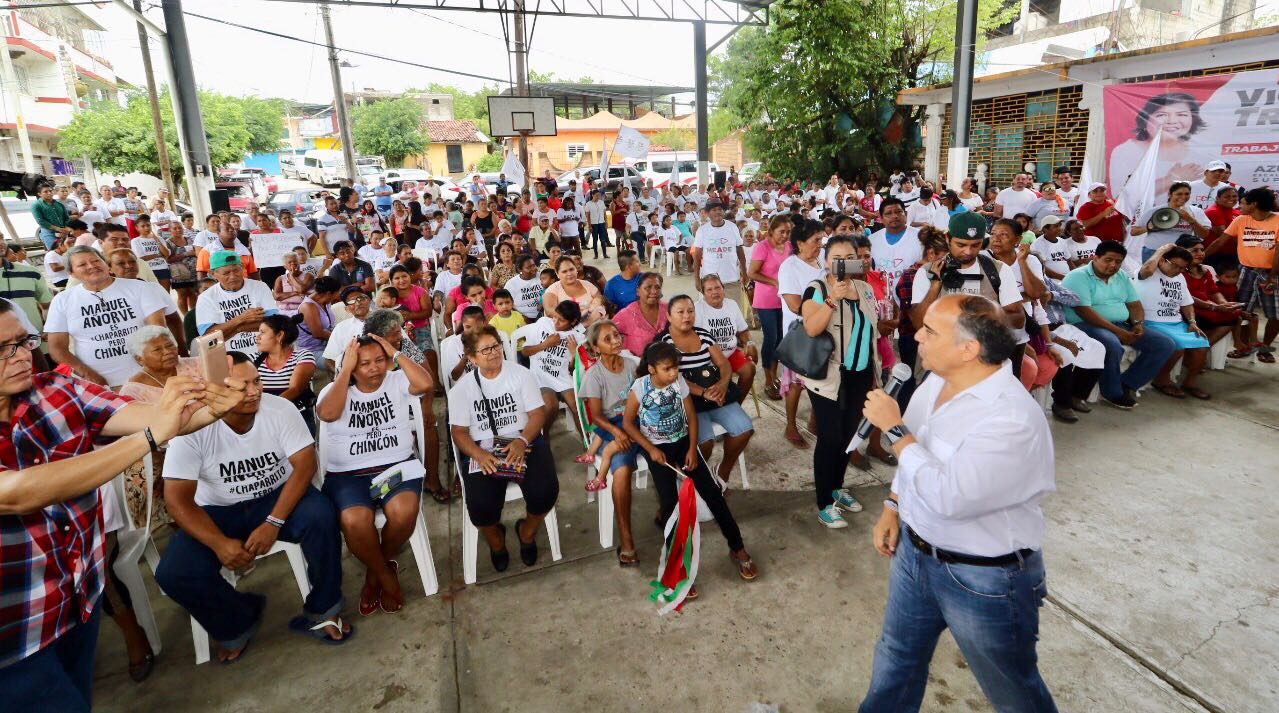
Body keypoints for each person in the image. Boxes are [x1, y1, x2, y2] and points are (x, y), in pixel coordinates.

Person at [0, 300, 245, 709]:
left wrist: (211, 406)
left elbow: (149, 417)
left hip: (78, 598)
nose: (21, 355)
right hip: (13, 629)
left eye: (23, 341)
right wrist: (150, 436)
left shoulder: (58, 390)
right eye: (2, 349)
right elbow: (18, 492)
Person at [858, 294, 1057, 713]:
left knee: (1012, 689)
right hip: (915, 552)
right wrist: (893, 507)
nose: (917, 336)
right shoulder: (934, 382)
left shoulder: (1010, 419)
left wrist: (893, 429)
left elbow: (949, 495)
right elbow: (916, 458)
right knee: (896, 657)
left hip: (984, 577)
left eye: (930, 331)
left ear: (969, 349)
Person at [157, 353, 351, 662]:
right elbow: (176, 500)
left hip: (278, 497)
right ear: (216, 391)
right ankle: (239, 619)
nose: (254, 391)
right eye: (241, 386)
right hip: (218, 511)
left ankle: (324, 608)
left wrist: (273, 521)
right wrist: (219, 544)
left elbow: (304, 466)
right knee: (174, 572)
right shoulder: (192, 427)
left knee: (321, 516)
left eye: (256, 381)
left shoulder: (279, 409)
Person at [623, 341, 758, 591]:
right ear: (651, 369)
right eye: (667, 369)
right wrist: (651, 449)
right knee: (671, 505)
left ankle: (737, 547)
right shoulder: (639, 388)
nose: (673, 373)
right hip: (657, 448)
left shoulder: (679, 382)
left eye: (675, 367)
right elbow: (628, 423)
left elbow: (691, 417)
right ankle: (678, 566)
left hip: (684, 442)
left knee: (713, 496)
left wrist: (692, 449)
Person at [317, 331, 432, 615]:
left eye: (379, 360)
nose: (374, 368)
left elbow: (426, 383)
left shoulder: (396, 380)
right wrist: (344, 372)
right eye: (364, 363)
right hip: (348, 475)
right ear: (352, 366)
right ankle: (385, 574)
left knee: (404, 512)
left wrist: (394, 353)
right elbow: (328, 414)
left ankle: (375, 573)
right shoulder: (334, 391)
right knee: (355, 519)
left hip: (396, 466)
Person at [448, 326, 560, 572]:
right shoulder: (462, 389)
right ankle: (497, 542)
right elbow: (458, 432)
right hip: (484, 447)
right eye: (485, 350)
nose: (493, 352)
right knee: (480, 507)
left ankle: (527, 533)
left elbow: (537, 414)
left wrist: (522, 441)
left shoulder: (521, 375)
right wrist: (479, 455)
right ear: (472, 357)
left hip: (523, 438)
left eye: (496, 345)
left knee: (545, 491)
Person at [798, 235, 885, 528]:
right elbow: (811, 328)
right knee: (830, 437)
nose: (843, 263)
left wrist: (855, 296)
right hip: (828, 377)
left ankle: (837, 488)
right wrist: (833, 299)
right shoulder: (817, 289)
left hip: (860, 374)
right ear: (826, 260)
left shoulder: (864, 288)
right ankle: (825, 502)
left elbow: (875, 326)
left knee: (850, 436)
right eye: (837, 258)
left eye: (850, 257)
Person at [1060, 240, 1177, 409]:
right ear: (1095, 258)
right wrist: (1119, 332)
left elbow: (1134, 304)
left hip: (1119, 324)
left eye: (1118, 262)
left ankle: (1127, 384)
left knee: (1164, 344)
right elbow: (1084, 311)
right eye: (1108, 260)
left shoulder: (1120, 276)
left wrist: (1138, 324)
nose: (1113, 265)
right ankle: (1112, 393)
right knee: (1112, 344)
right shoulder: (1078, 276)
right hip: (1083, 324)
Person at [659, 295, 754, 489]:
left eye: (690, 311)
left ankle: (722, 472)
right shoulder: (664, 342)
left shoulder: (703, 334)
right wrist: (702, 392)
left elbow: (723, 364)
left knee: (744, 429)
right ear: (669, 316)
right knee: (705, 443)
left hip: (714, 393)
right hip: (688, 399)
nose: (687, 316)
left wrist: (722, 384)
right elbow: (672, 377)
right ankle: (695, 480)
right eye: (680, 312)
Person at [46, 247, 167, 386]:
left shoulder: (140, 288)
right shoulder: (62, 300)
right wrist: (89, 375)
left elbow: (158, 330)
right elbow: (57, 348)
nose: (92, 266)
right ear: (72, 273)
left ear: (105, 264)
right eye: (82, 264)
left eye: (96, 260)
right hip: (99, 386)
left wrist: (150, 370)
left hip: (149, 377)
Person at [578, 320, 643, 563]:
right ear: (595, 348)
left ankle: (666, 513)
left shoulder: (631, 365)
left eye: (617, 335)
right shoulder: (594, 375)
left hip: (635, 424)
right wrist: (618, 433)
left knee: (665, 452)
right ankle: (626, 539)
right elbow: (596, 416)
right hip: (613, 428)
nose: (616, 340)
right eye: (608, 338)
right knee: (622, 470)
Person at [1135, 244, 1213, 399]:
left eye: (1182, 268)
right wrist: (1160, 250)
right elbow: (1148, 270)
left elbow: (1187, 303)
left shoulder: (1180, 278)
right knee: (1177, 344)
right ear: (1163, 260)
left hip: (1175, 322)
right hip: (1151, 321)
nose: (1178, 270)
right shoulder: (1148, 271)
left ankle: (1189, 383)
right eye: (1175, 265)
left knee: (1202, 344)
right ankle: (1161, 380)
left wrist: (1192, 322)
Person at [777, 219, 827, 448]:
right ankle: (790, 425)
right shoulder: (790, 266)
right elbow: (793, 303)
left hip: (824, 328)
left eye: (822, 239)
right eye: (816, 240)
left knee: (822, 378)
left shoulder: (823, 261)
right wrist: (824, 308)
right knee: (796, 383)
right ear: (800, 243)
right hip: (800, 332)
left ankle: (815, 420)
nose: (820, 244)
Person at [1108, 92, 1211, 195]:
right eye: (1161, 115)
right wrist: (1171, 179)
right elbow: (1121, 196)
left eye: (1182, 114)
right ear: (1145, 119)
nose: (1172, 121)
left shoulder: (1200, 155)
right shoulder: (1126, 151)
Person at [1224, 186, 1279, 362]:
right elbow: (1220, 241)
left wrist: (1272, 277)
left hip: (1273, 274)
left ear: (1253, 204)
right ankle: (1244, 347)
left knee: (1275, 315)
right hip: (1246, 271)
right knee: (1241, 311)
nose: (1239, 205)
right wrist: (1199, 258)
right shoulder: (1241, 220)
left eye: (1242, 202)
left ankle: (1264, 349)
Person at [520, 300, 586, 438]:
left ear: (573, 322)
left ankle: (587, 441)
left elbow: (573, 370)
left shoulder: (578, 337)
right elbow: (525, 352)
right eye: (555, 316)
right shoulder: (543, 323)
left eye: (561, 320)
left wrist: (574, 354)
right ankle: (543, 437)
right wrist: (545, 344)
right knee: (551, 406)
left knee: (577, 405)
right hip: (540, 376)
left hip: (562, 378)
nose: (555, 322)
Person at [195, 252, 279, 359]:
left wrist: (236, 328)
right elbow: (209, 337)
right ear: (212, 274)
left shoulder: (260, 287)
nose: (233, 276)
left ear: (242, 267)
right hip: (229, 358)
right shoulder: (206, 297)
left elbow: (274, 323)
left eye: (236, 270)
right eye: (226, 273)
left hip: (266, 353)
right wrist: (241, 319)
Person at [748, 215, 791, 400]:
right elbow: (752, 273)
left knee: (781, 339)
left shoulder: (789, 246)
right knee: (771, 337)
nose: (785, 235)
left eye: (788, 232)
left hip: (784, 299)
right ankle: (767, 379)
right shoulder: (762, 247)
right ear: (771, 231)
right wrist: (773, 281)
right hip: (766, 300)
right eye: (782, 231)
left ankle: (775, 376)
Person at [694, 274, 755, 405]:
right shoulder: (697, 309)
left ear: (723, 288)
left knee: (749, 369)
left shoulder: (731, 304)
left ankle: (737, 404)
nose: (714, 292)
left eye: (717, 287)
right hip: (708, 358)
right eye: (709, 290)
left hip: (730, 352)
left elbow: (743, 330)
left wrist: (750, 343)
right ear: (703, 293)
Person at [256, 314, 318, 431]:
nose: (257, 337)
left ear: (279, 335)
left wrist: (265, 412)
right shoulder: (254, 360)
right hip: (263, 421)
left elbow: (295, 389)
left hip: (296, 418)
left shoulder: (302, 356)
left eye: (262, 332)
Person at [1131, 181, 1209, 261]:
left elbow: (1204, 235)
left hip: (1180, 254)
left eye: (1187, 194)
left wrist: (1191, 220)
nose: (1183, 197)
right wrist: (1149, 227)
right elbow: (1133, 231)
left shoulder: (1196, 211)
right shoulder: (1156, 210)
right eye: (1179, 194)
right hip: (1153, 251)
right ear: (1170, 194)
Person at [691, 200, 748, 304]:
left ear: (724, 212)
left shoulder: (732, 227)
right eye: (713, 210)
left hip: (731, 279)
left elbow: (740, 251)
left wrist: (744, 273)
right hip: (709, 280)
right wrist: (697, 279)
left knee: (733, 312)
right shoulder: (702, 230)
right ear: (708, 213)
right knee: (710, 313)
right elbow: (697, 257)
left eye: (720, 209)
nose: (717, 212)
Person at [542, 255, 605, 324]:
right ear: (557, 274)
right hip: (566, 329)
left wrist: (588, 321)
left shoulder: (587, 285)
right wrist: (574, 319)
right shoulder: (552, 290)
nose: (569, 274)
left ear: (576, 270)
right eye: (564, 271)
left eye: (571, 269)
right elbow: (549, 311)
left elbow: (600, 300)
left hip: (592, 324)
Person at [32, 184, 71, 250]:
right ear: (39, 194)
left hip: (63, 232)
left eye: (50, 191)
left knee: (67, 251)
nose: (49, 193)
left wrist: (66, 228)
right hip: (48, 232)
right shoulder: (36, 205)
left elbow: (67, 218)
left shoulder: (59, 204)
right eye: (45, 192)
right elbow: (40, 221)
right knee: (55, 252)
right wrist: (57, 228)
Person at [585, 189, 609, 258]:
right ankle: (596, 255)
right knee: (595, 239)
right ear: (592, 195)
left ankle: (605, 254)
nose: (598, 197)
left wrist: (606, 221)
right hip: (593, 224)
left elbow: (604, 213)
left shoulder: (601, 202)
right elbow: (588, 216)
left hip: (601, 223)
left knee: (603, 239)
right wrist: (589, 226)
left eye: (599, 195)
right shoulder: (588, 204)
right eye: (596, 195)